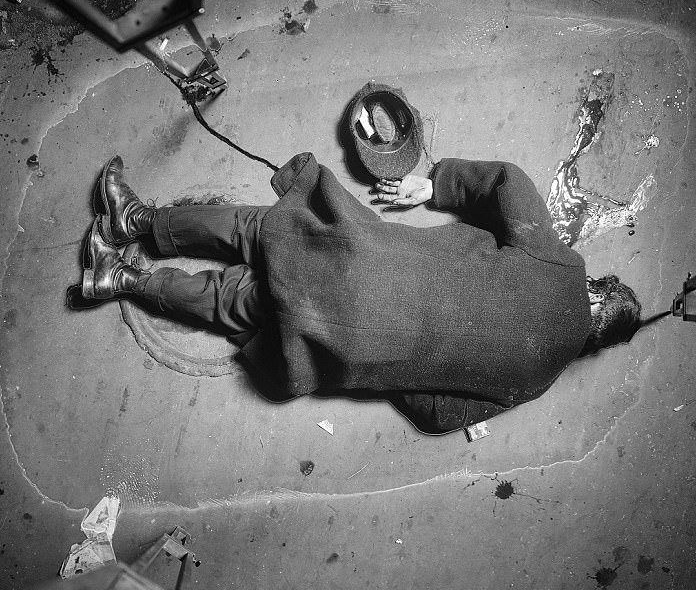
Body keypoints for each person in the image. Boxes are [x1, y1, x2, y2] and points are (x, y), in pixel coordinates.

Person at [73, 154, 642, 434]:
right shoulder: (533, 384)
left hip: (358, 262)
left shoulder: (561, 268)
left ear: (596, 293)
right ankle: (119, 279)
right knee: (234, 298)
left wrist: (435, 186)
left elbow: (506, 184)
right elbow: (440, 416)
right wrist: (388, 364)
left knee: (257, 229)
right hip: (338, 348)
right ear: (593, 340)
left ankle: (135, 220)